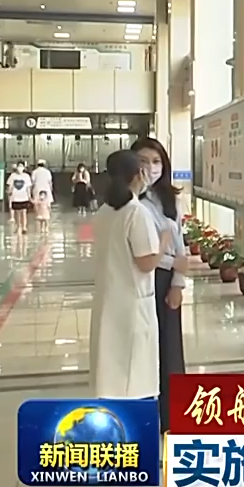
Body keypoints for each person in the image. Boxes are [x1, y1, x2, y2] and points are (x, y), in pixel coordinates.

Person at [90, 149, 164, 401]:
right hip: (132, 307)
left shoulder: (104, 212)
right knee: (135, 379)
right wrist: (165, 242)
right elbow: (146, 262)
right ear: (139, 174)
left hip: (109, 301)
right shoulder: (136, 212)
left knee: (110, 376)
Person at [131, 137, 187, 434]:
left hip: (165, 280)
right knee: (143, 350)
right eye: (143, 161)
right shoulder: (129, 203)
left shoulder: (170, 199)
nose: (150, 168)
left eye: (156, 162)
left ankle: (172, 417)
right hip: (139, 281)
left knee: (170, 348)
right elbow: (136, 253)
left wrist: (178, 282)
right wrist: (172, 263)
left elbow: (179, 245)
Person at [7, 162, 33, 234]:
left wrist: (29, 196)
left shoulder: (26, 176)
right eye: (19, 166)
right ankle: (18, 227)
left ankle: (24, 227)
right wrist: (9, 192)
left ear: (24, 167)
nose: (20, 168)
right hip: (15, 197)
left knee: (24, 212)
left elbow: (28, 187)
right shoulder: (13, 176)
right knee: (17, 213)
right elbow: (10, 186)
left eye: (21, 166)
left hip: (24, 197)